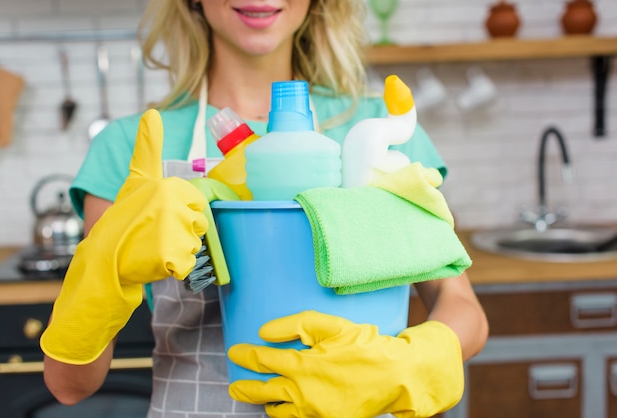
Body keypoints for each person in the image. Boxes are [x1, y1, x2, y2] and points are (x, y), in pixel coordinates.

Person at [41, 0, 489, 417]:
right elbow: (69, 386)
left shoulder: (378, 134)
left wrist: (421, 357)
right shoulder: (134, 146)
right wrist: (105, 274)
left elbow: (460, 304)